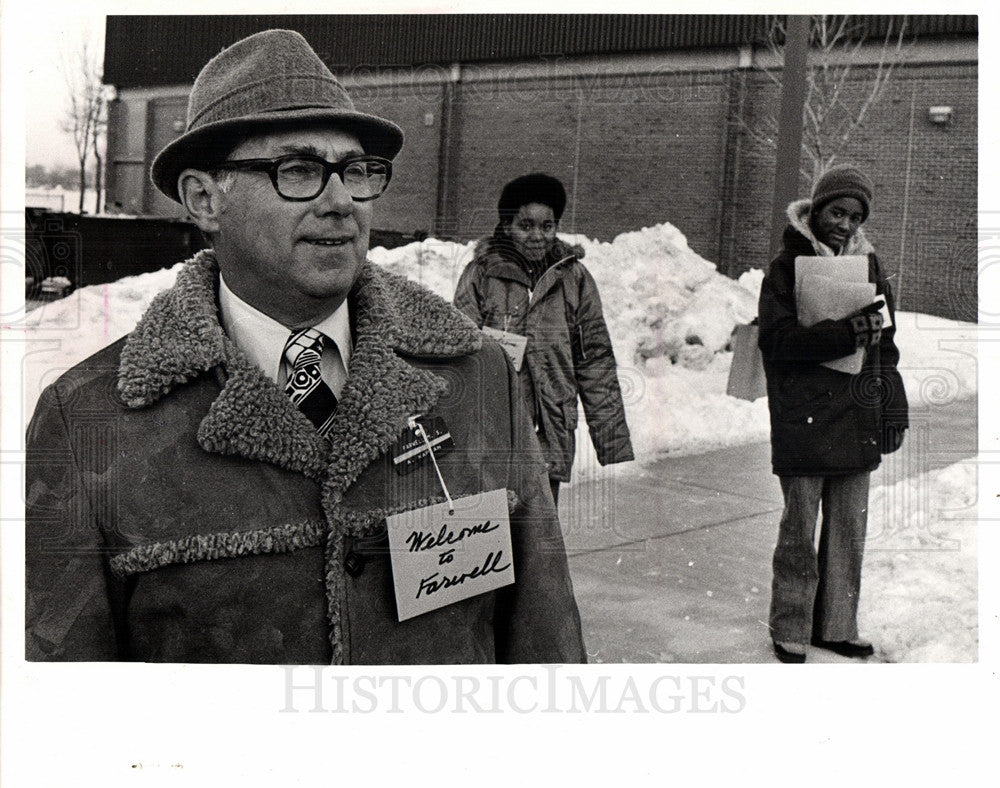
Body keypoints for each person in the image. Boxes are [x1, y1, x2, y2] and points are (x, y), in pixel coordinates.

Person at [24, 29, 585, 665]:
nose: (342, 201)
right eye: (299, 170)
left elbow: (546, 649)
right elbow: (63, 710)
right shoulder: (88, 421)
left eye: (355, 171)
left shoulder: (479, 379)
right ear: (204, 198)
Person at [757, 164, 909, 664]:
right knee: (800, 530)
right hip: (804, 412)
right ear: (817, 209)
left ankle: (837, 627)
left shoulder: (869, 265)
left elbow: (885, 345)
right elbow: (775, 342)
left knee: (848, 530)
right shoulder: (786, 266)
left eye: (854, 216)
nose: (844, 224)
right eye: (836, 212)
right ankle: (792, 627)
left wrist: (893, 406)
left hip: (857, 414)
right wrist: (846, 333)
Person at [454, 173, 633, 505]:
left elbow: (595, 359)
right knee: (494, 537)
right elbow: (459, 354)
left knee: (539, 537)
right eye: (526, 225)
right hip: (495, 432)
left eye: (547, 226)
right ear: (507, 226)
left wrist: (611, 439)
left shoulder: (573, 279)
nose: (537, 236)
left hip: (551, 431)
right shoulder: (481, 274)